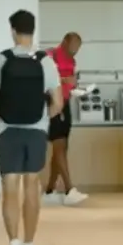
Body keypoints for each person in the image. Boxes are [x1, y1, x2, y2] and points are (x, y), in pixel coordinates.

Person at [0, 11, 62, 245]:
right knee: (31, 186)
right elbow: (58, 102)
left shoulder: (1, 60)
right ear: (33, 30)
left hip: (7, 131)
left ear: (13, 31)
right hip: (36, 131)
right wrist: (43, 121)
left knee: (9, 186)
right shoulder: (45, 62)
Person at [43, 32, 87, 205]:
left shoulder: (72, 61)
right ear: (64, 42)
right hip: (52, 103)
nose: (75, 50)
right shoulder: (49, 56)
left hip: (66, 103)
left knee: (61, 147)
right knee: (59, 144)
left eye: (78, 48)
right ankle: (69, 189)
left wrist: (74, 86)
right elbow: (43, 80)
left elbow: (70, 83)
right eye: (73, 46)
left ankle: (49, 190)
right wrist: (64, 80)